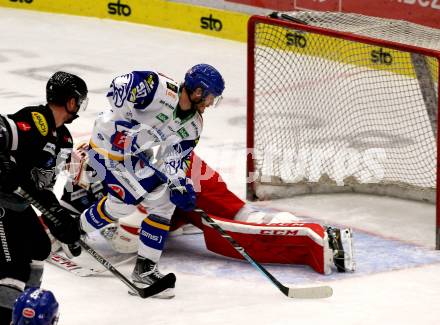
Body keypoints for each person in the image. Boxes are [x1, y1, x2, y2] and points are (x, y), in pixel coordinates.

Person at [60, 144, 355, 277]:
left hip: (187, 180)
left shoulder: (113, 165)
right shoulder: (86, 173)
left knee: (232, 229)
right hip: (172, 189)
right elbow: (59, 214)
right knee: (231, 220)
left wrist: (113, 226)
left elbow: (129, 232)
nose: (83, 184)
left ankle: (314, 238)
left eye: (85, 177)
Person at [77, 64, 225, 298]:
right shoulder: (160, 89)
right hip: (106, 148)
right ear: (198, 90)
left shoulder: (194, 124)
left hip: (135, 157)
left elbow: (173, 160)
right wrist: (123, 122)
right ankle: (77, 233)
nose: (209, 103)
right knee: (141, 203)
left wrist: (180, 183)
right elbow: (118, 86)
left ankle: (79, 235)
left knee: (150, 203)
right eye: (209, 97)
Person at [0, 71, 87, 324]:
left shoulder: (64, 139)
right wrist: (3, 163)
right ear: (70, 101)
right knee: (13, 268)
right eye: (78, 100)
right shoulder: (36, 120)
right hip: (1, 202)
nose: (79, 106)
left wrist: (58, 218)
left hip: (18, 204)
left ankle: (24, 309)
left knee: (40, 248)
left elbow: (43, 188)